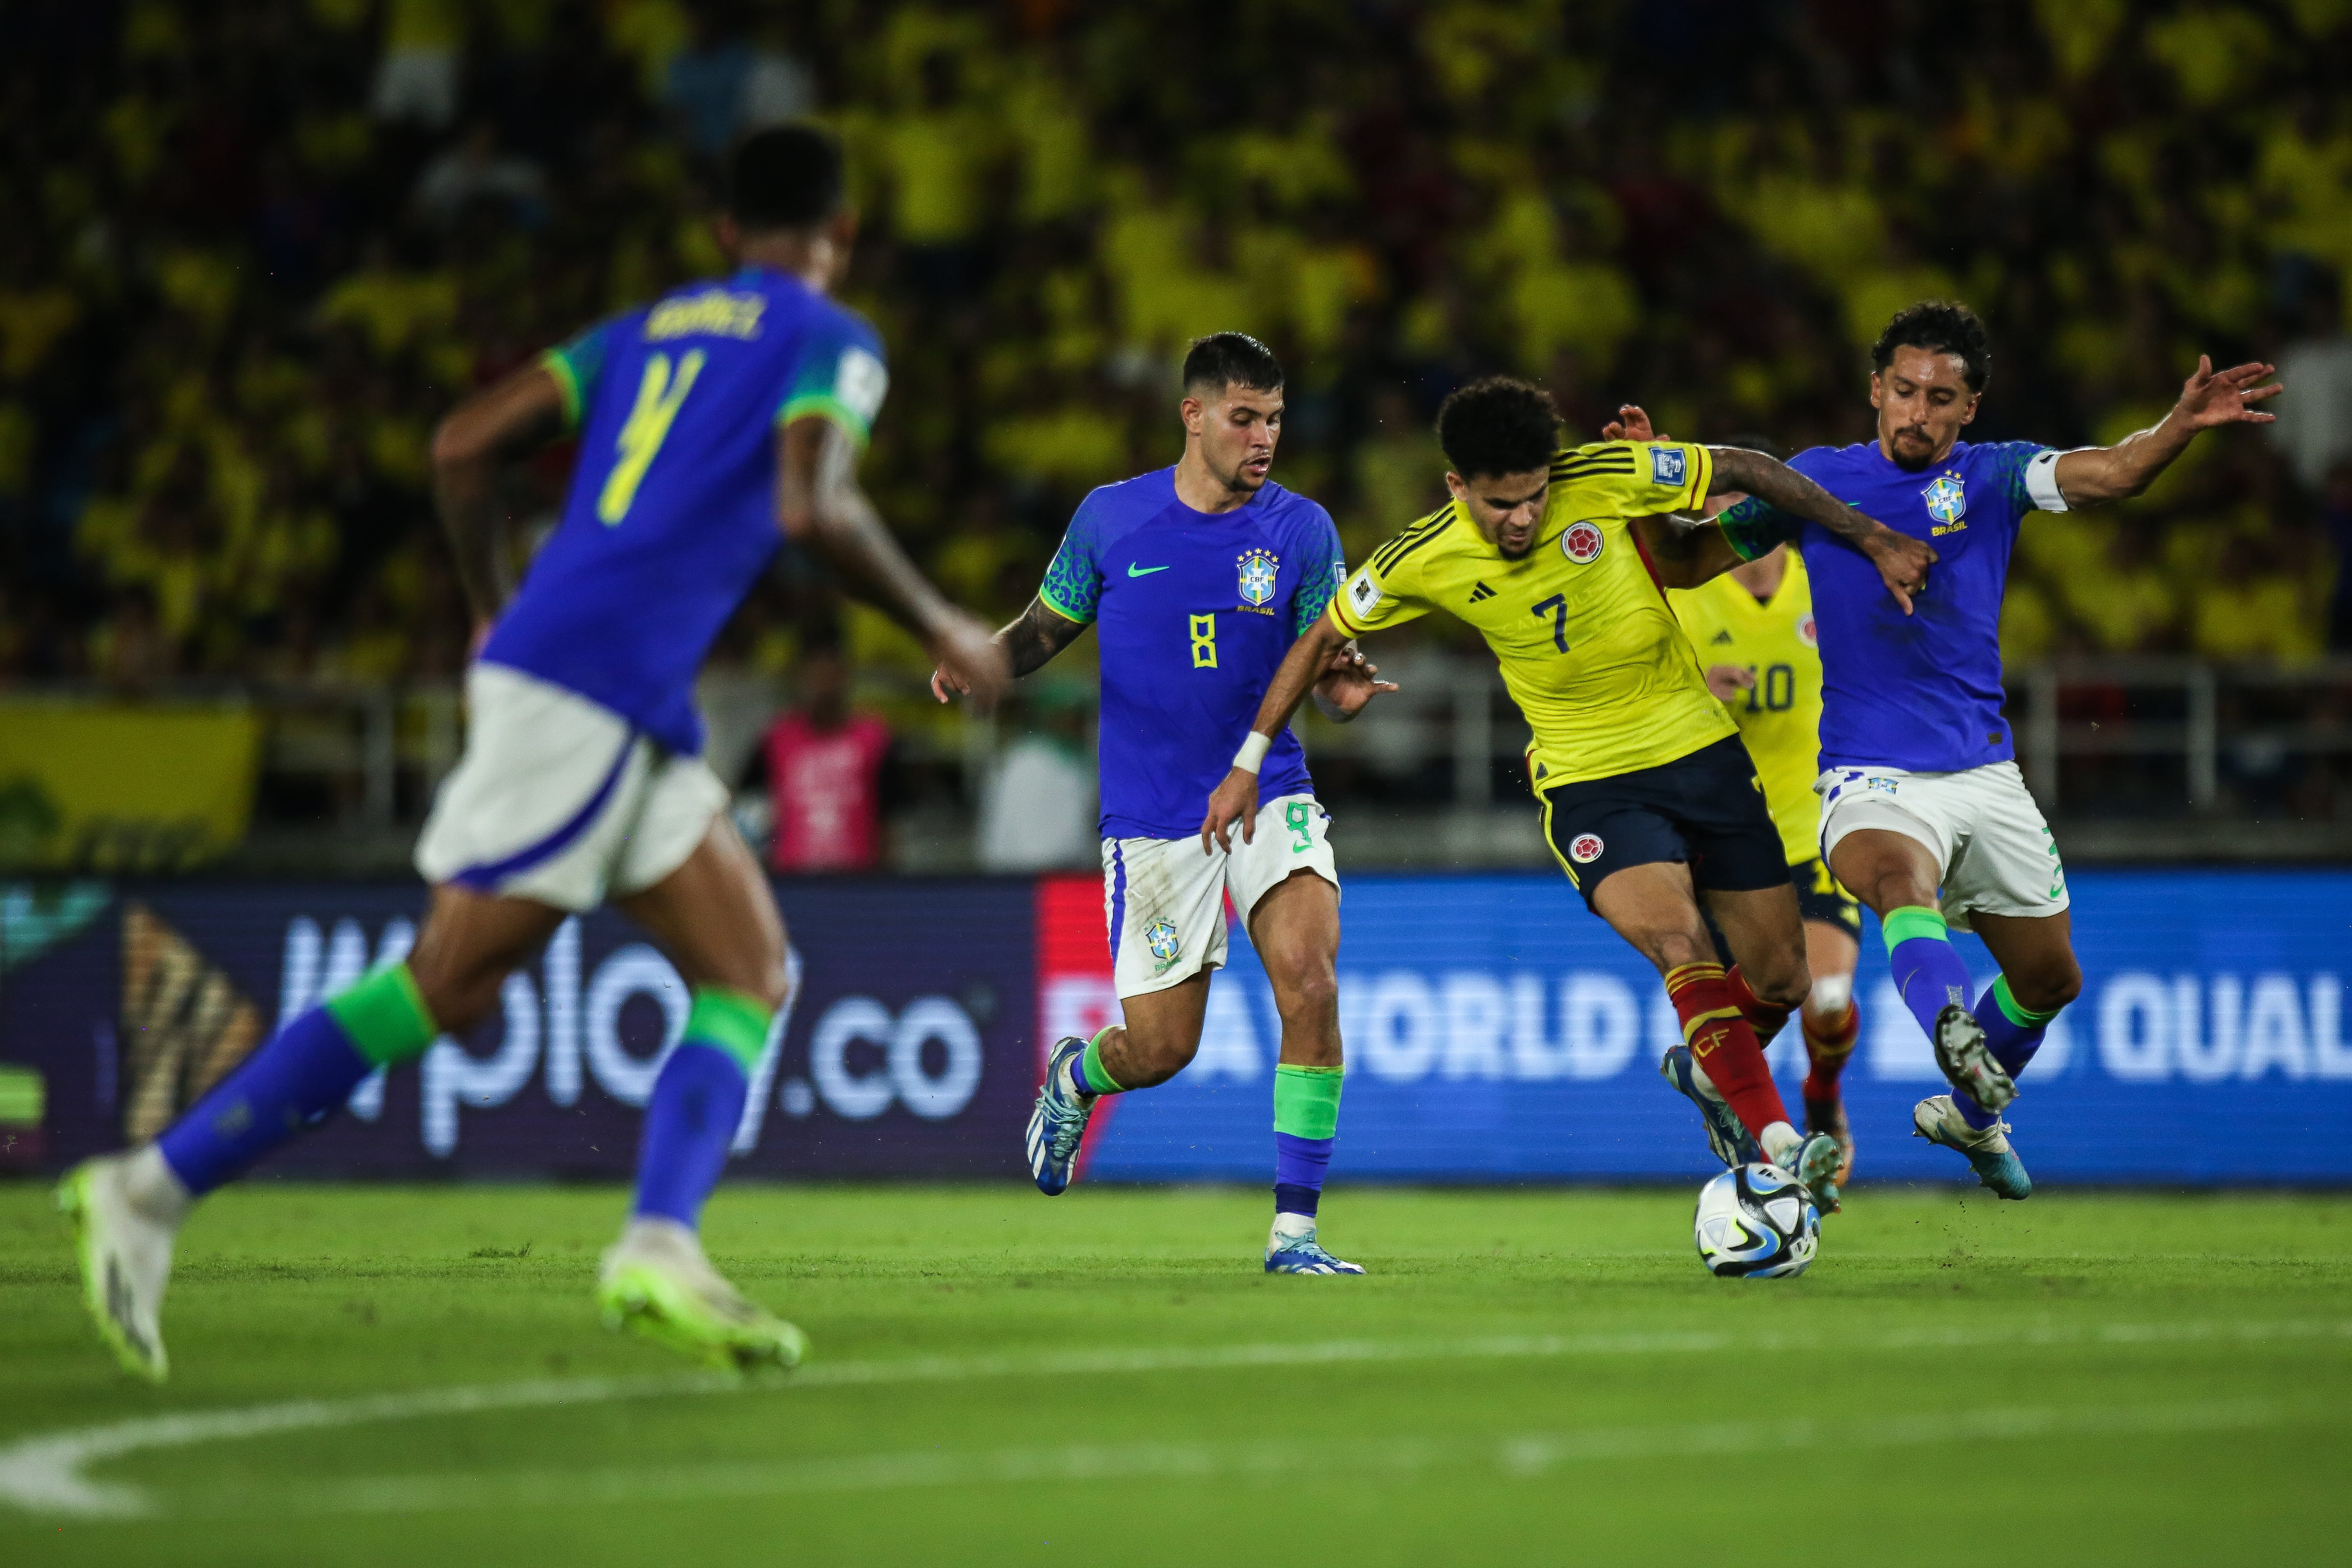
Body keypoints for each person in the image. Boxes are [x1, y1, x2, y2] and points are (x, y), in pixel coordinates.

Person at [58, 125, 1008, 1381]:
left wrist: (488, 603)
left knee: (749, 969)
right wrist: (940, 622)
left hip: (608, 686)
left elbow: (462, 445)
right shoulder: (832, 338)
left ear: (726, 232)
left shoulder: (643, 330)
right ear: (842, 231)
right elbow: (812, 504)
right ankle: (151, 1186)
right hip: (593, 681)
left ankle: (660, 1243)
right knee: (447, 984)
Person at [1204, 376, 1936, 1218]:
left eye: (1535, 496)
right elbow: (1321, 636)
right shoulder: (1422, 554)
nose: (1522, 517)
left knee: (1783, 980)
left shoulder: (1603, 476)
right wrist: (1250, 760)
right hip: (1589, 782)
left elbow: (1746, 467)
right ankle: (1777, 1141)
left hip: (1702, 755)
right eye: (1500, 503)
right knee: (1680, 942)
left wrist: (1870, 534)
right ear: (1456, 487)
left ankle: (1710, 1071)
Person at [1692, 301, 2280, 1199]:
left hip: (1985, 771)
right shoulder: (1815, 482)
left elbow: (2114, 473)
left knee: (2050, 977)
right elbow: (1688, 557)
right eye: (1903, 390)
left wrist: (2179, 425)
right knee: (1902, 883)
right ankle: (1949, 1024)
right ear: (1875, 389)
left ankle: (1969, 1114)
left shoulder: (1997, 475)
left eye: (1940, 397)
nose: (1917, 412)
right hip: (1868, 774)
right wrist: (1649, 488)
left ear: (1970, 407)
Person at [934, 332, 1393, 1274]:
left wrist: (1339, 689)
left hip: (1266, 788)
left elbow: (1318, 662)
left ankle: (1295, 1233)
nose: (1264, 438)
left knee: (1310, 982)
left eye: (1274, 419)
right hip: (1152, 817)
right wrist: (982, 658)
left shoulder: (1303, 530)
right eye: (1244, 418)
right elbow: (1046, 627)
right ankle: (1076, 1075)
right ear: (1193, 415)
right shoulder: (1111, 517)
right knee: (1160, 1049)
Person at [1633, 429, 1867, 1194]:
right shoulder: (1685, 592)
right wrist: (1699, 691)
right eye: (1718, 502)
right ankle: (1753, 1142)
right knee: (1760, 995)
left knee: (1827, 1000)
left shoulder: (1825, 579)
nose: (1729, 515)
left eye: (1743, 498)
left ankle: (1820, 1096)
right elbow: (1635, 694)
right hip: (1723, 838)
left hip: (1814, 832)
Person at [752, 644, 891, 873]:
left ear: (845, 678)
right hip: (792, 873)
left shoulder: (873, 737)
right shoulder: (777, 737)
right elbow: (753, 804)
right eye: (816, 676)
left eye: (831, 676)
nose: (824, 686)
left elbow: (888, 812)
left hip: (858, 873)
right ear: (800, 679)